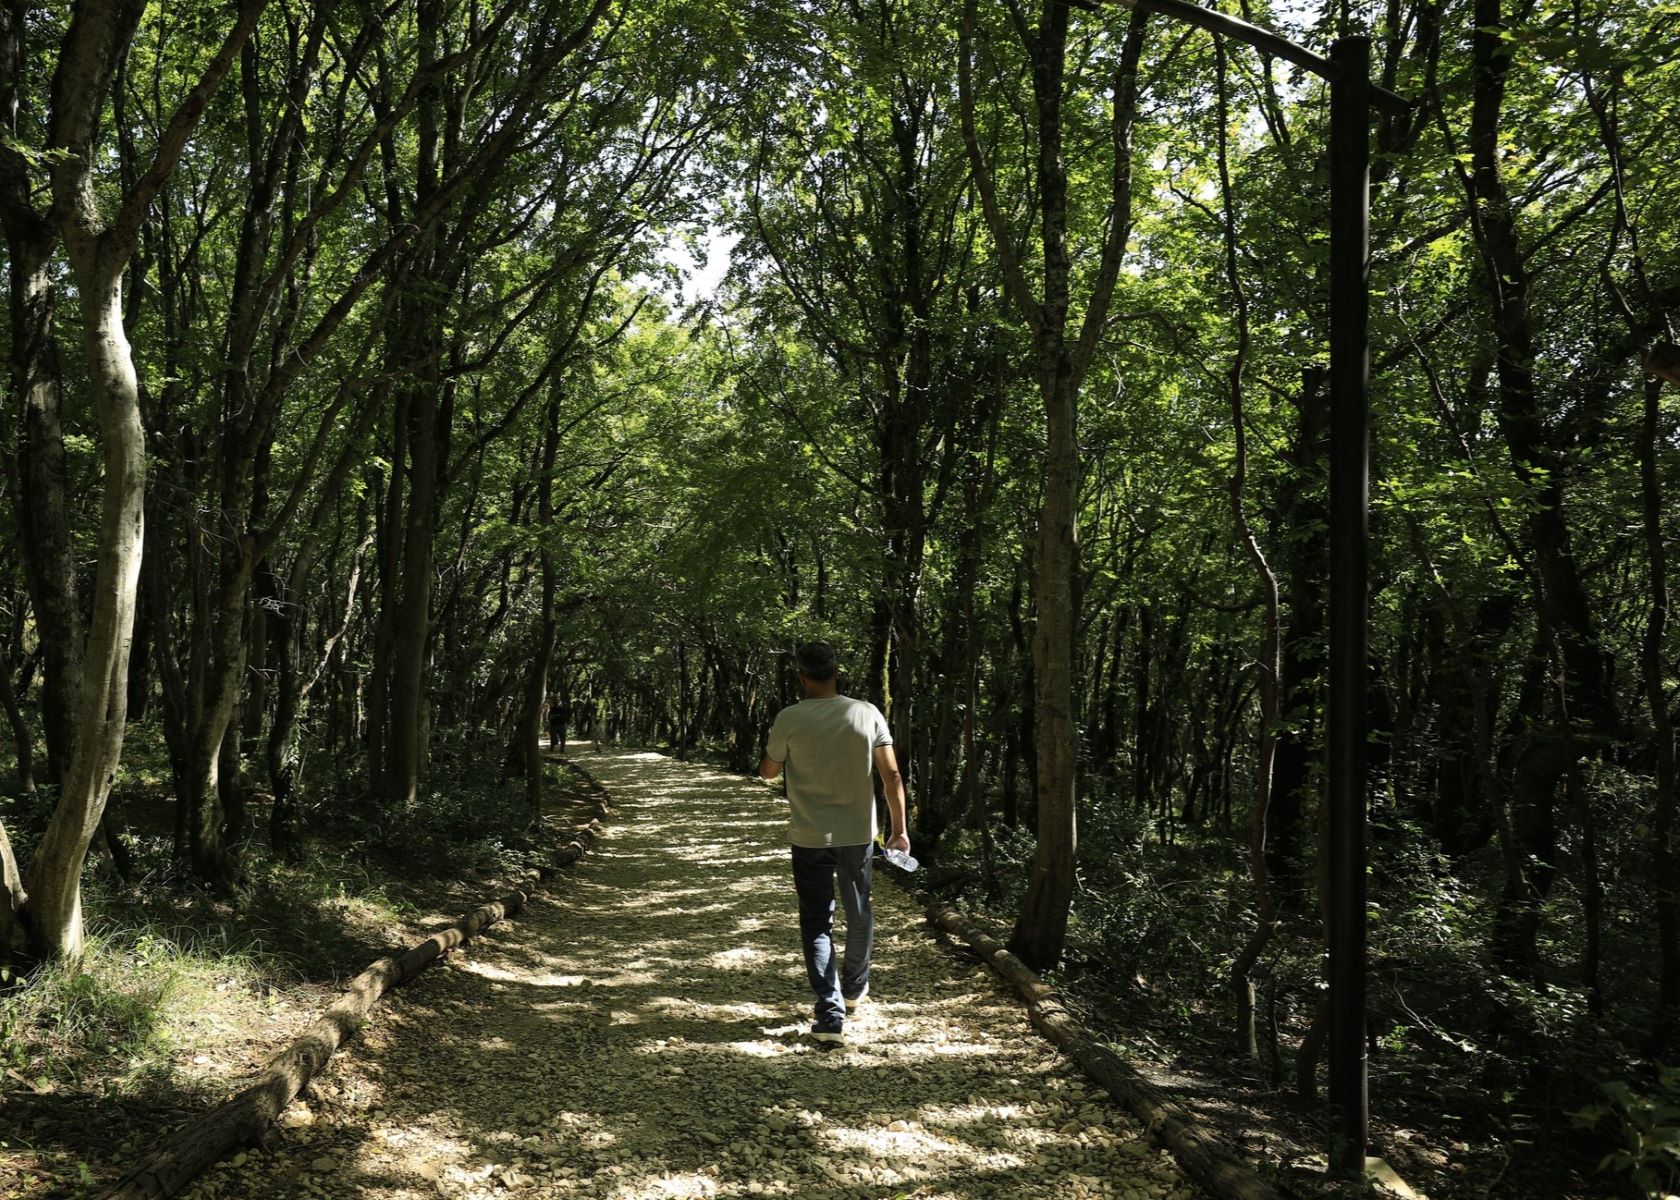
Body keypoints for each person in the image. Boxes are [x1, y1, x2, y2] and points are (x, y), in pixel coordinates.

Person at [759, 641, 911, 1046]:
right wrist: (899, 831)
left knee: (816, 922)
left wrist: (782, 755)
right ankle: (853, 988)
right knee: (859, 911)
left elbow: (768, 773)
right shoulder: (866, 712)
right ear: (836, 671)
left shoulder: (790, 717)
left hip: (809, 835)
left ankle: (829, 1015)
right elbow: (892, 776)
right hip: (858, 834)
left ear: (801, 676)